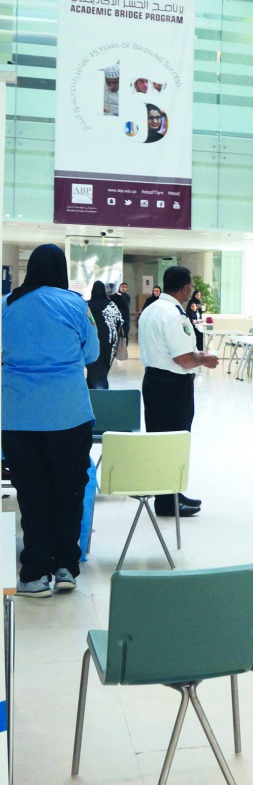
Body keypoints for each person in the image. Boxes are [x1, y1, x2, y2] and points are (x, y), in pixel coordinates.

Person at [1, 244, 99, 597]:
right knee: (69, 490)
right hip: (68, 414)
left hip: (17, 416)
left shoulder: (7, 304)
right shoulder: (75, 304)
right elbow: (92, 353)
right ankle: (66, 567)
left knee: (31, 492)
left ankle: (33, 573)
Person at [138, 266, 219, 518]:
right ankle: (167, 500)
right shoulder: (173, 315)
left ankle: (170, 493)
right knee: (173, 441)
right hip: (172, 386)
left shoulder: (150, 309)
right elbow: (183, 358)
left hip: (153, 380)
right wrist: (205, 359)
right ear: (185, 287)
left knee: (160, 440)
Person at [85, 281, 124, 389]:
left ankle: (92, 391)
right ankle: (102, 393)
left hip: (90, 343)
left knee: (93, 369)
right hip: (108, 343)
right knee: (103, 371)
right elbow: (120, 321)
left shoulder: (86, 305)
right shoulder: (111, 305)